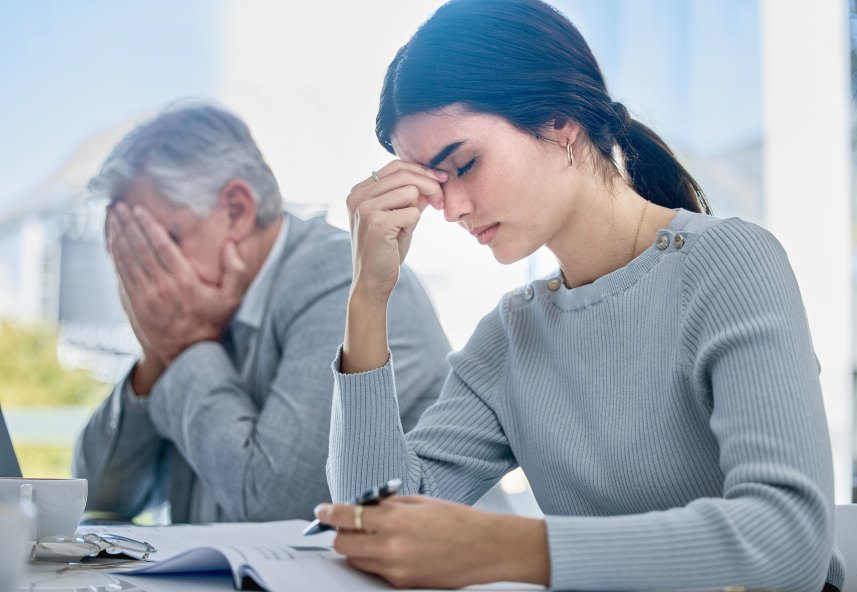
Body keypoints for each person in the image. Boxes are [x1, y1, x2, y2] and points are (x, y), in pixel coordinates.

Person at [314, 1, 845, 590]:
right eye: (436, 189)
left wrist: (508, 547)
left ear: (561, 122)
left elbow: (789, 540)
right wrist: (368, 295)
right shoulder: (512, 336)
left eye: (464, 164)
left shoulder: (730, 264)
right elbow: (375, 519)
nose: (454, 209)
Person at [73, 102, 451, 524]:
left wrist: (185, 346)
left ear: (236, 210)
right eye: (129, 252)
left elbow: (283, 506)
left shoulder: (343, 277)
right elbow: (98, 497)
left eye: (160, 243)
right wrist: (156, 356)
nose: (147, 279)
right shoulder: (196, 308)